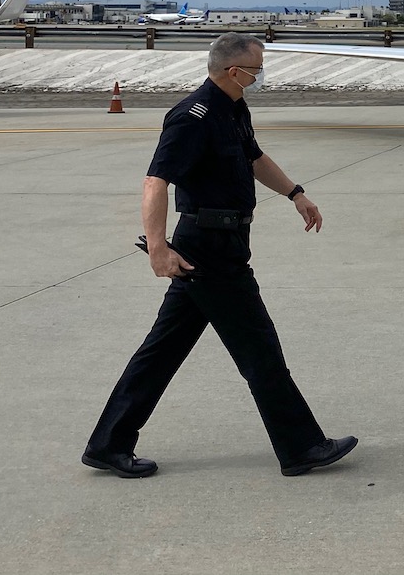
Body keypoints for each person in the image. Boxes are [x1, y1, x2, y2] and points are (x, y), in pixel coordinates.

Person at [83, 33, 357, 478]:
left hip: (223, 243)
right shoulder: (193, 117)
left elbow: (253, 157)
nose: (262, 73)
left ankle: (108, 444)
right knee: (260, 350)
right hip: (207, 250)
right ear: (234, 71)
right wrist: (157, 248)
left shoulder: (234, 107)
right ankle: (302, 446)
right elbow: (156, 182)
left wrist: (295, 193)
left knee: (162, 352)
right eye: (257, 67)